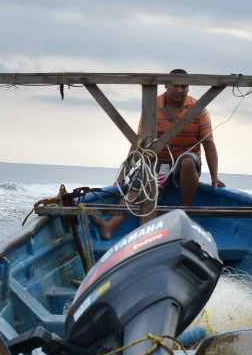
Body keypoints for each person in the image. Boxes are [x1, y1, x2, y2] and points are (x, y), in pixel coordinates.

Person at [96, 69, 224, 238]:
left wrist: (215, 176)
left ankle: (188, 217)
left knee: (187, 161)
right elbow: (138, 143)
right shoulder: (152, 107)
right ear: (166, 85)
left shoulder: (198, 109)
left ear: (188, 88)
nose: (179, 90)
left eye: (184, 86)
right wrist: (123, 172)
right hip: (159, 161)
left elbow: (209, 144)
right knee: (140, 182)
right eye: (175, 85)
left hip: (186, 163)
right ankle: (110, 226)